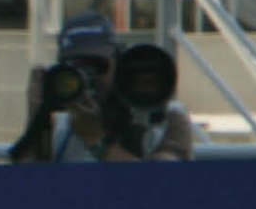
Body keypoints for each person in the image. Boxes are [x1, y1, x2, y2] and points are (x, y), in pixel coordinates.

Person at [10, 12, 196, 163]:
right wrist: (38, 117)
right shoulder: (60, 127)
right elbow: (31, 190)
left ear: (118, 65)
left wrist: (97, 140)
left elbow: (157, 187)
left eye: (97, 66)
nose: (88, 78)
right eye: (76, 68)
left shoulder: (167, 117)